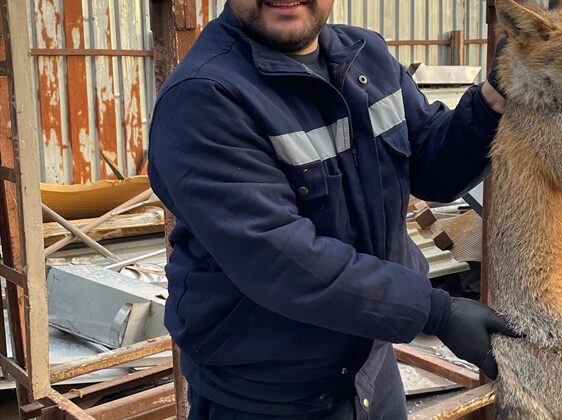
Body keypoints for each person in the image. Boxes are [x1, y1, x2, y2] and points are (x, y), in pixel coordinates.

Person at [148, 1, 517, 418]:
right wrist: (434, 312)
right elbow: (278, 258)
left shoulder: (367, 57)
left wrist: (494, 97)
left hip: (371, 369)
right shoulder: (204, 98)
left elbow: (432, 169)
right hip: (269, 395)